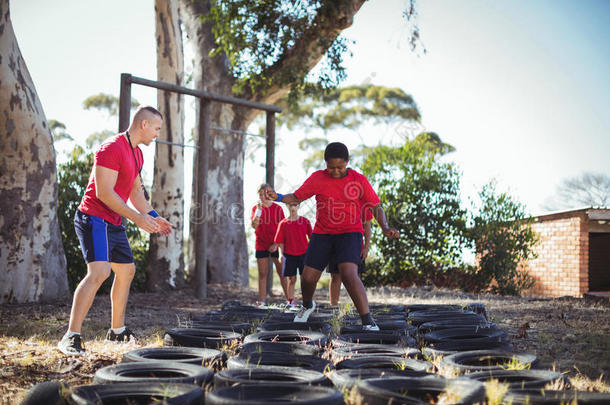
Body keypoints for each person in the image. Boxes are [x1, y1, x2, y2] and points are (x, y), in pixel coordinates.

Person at [57, 106, 172, 356]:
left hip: (114, 221)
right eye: (156, 128)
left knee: (127, 271)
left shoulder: (138, 155)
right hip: (93, 217)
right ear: (143, 124)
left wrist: (154, 217)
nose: (157, 134)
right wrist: (138, 219)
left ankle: (117, 332)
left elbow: (136, 193)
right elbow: (104, 193)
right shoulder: (111, 147)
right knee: (100, 272)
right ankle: (71, 336)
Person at [265, 142, 399, 329]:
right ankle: (307, 305)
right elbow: (297, 197)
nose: (335, 171)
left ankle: (368, 320)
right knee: (308, 277)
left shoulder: (358, 180)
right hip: (322, 233)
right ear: (325, 164)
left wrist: (385, 227)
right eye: (331, 168)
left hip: (350, 233)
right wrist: (277, 197)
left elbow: (376, 207)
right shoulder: (318, 178)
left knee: (348, 273)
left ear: (347, 162)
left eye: (340, 167)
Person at [251, 184, 287, 306]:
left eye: (266, 193)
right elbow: (254, 225)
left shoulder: (278, 209)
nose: (264, 196)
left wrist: (276, 244)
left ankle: (290, 299)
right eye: (261, 194)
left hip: (275, 244)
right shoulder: (256, 209)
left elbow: (283, 228)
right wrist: (258, 211)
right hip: (261, 244)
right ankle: (261, 301)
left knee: (281, 271)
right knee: (262, 273)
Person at [328, 208, 373, 306]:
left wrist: (366, 247)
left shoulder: (362, 204)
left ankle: (359, 306)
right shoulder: (332, 202)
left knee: (356, 276)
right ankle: (333, 306)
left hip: (355, 245)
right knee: (335, 276)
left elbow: (367, 225)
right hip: (334, 242)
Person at [273, 202, 313, 307]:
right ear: (287, 206)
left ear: (298, 206)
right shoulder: (283, 223)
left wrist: (311, 253)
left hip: (304, 254)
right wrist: (282, 254)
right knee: (292, 279)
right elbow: (280, 241)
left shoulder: (305, 221)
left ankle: (307, 301)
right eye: (290, 205)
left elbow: (312, 238)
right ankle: (290, 301)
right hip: (289, 255)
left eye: (295, 205)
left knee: (305, 279)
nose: (293, 207)